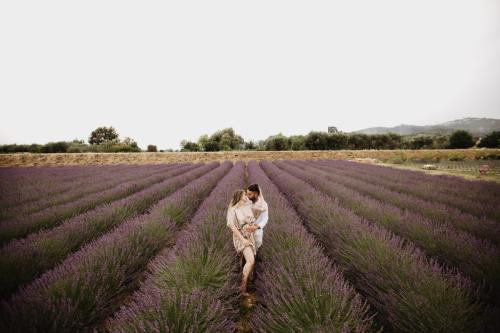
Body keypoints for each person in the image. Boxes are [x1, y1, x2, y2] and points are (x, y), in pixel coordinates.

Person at [226, 189, 259, 296]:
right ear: (239, 196)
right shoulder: (233, 209)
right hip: (240, 237)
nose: (246, 196)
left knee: (244, 260)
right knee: (250, 260)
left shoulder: (246, 205)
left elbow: (253, 214)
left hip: (249, 235)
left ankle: (246, 282)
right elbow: (232, 227)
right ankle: (242, 288)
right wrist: (243, 239)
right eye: (245, 195)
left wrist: (252, 226)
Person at [246, 183, 268, 251]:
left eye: (249, 194)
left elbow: (265, 219)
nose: (247, 196)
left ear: (255, 194)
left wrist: (255, 227)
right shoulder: (246, 202)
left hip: (257, 230)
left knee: (255, 247)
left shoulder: (263, 205)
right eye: (247, 194)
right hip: (246, 228)